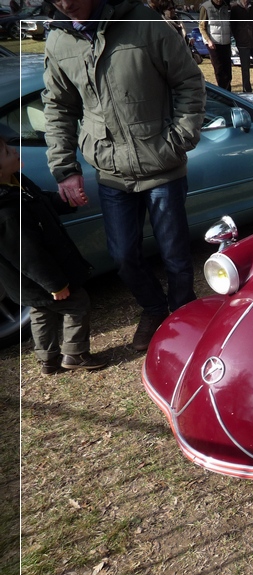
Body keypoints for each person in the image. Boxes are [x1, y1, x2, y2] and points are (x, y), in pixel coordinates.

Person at [43, 0, 206, 351]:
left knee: (176, 254)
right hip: (110, 170)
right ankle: (153, 308)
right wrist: (65, 168)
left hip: (162, 165)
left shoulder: (141, 21)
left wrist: (179, 139)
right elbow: (58, 106)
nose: (64, 3)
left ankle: (183, 315)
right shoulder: (58, 39)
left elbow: (188, 81)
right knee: (123, 257)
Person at [0, 136, 105, 375]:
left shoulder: (17, 182)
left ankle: (47, 360)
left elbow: (41, 200)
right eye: (7, 153)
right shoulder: (6, 212)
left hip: (32, 282)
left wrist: (65, 202)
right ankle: (76, 353)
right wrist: (55, 285)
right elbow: (27, 254)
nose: (15, 152)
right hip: (38, 277)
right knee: (78, 304)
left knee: (41, 313)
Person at [200, 0, 233, 91]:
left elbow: (229, 24)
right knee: (219, 70)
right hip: (214, 44)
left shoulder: (226, 6)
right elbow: (202, 27)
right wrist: (209, 41)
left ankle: (228, 93)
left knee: (228, 71)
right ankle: (223, 93)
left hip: (226, 42)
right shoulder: (205, 7)